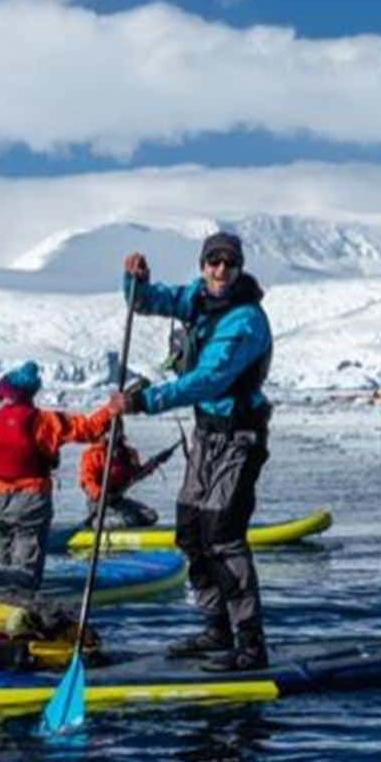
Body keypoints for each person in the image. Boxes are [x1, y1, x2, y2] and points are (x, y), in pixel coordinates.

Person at [120, 232, 275, 671]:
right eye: (213, 262)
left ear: (239, 267)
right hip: (207, 437)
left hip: (239, 439)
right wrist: (134, 283)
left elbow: (209, 380)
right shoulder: (197, 298)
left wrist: (143, 401)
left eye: (229, 263)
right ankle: (216, 628)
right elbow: (148, 301)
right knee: (190, 531)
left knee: (223, 535)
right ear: (203, 265)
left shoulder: (245, 321)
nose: (220, 270)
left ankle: (251, 644)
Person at [0, 360, 122, 589]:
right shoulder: (47, 422)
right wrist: (111, 410)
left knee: (2, 561)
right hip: (31, 501)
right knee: (26, 574)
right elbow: (88, 429)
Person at [80, 438, 160, 529]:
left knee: (151, 516)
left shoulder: (128, 453)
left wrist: (151, 466)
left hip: (118, 500)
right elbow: (86, 481)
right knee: (130, 520)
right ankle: (96, 523)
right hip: (99, 503)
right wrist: (100, 495)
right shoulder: (93, 454)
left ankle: (121, 521)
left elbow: (135, 474)